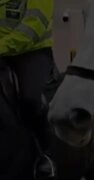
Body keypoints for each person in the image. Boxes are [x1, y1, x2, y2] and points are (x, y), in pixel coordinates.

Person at [0, 0, 56, 178]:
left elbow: (32, 27)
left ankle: (45, 154)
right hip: (2, 51)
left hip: (32, 50)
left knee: (30, 98)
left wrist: (2, 47)